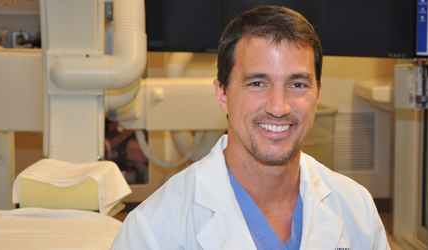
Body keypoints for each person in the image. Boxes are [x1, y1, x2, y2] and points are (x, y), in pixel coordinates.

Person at [112, 6, 390, 250]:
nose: (279, 107)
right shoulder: (153, 230)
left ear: (317, 95)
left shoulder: (358, 210)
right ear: (222, 96)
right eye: (257, 83)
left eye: (298, 84)